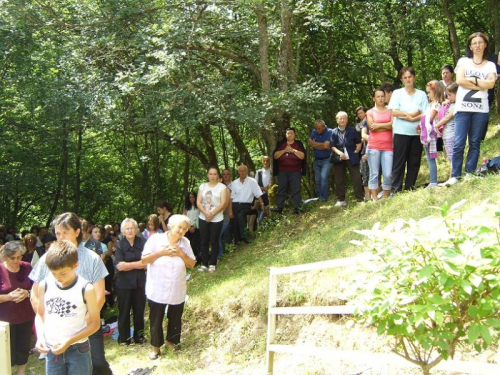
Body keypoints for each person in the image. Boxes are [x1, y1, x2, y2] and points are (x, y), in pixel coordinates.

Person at [29, 212, 113, 375]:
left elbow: (99, 296)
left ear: (77, 231)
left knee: (98, 364)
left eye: (65, 232)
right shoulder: (47, 259)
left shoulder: (91, 258)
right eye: (58, 233)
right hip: (56, 334)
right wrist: (48, 326)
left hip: (86, 327)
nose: (61, 237)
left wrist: (81, 324)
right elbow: (35, 296)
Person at [35, 240, 100, 375]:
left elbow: (95, 324)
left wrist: (69, 341)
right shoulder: (45, 285)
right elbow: (40, 314)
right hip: (53, 350)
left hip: (78, 349)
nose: (58, 278)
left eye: (63, 273)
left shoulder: (86, 288)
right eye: (54, 273)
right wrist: (40, 337)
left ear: (75, 265)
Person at [443, 32, 497, 186]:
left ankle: (469, 173)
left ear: (485, 45)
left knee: (474, 142)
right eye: (474, 43)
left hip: (481, 109)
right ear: (470, 46)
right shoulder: (463, 62)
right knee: (459, 142)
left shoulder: (490, 65)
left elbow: (491, 84)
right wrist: (481, 81)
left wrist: (471, 79)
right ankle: (455, 175)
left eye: (480, 42)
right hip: (463, 108)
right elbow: (460, 80)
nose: (477, 45)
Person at [141, 214, 196, 359]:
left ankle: (172, 342)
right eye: (179, 227)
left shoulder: (185, 242)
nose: (181, 231)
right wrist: (162, 252)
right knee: (156, 317)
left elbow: (192, 263)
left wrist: (181, 254)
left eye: (184, 229)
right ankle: (155, 347)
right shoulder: (155, 239)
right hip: (157, 286)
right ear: (171, 226)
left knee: (175, 316)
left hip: (177, 286)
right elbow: (144, 259)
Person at [388, 67, 429, 193]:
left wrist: (411, 118)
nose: (408, 79)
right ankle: (396, 190)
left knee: (414, 161)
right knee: (399, 162)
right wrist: (410, 115)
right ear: (401, 79)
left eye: (410, 77)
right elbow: (394, 112)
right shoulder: (397, 93)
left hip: (417, 133)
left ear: (414, 77)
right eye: (405, 77)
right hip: (401, 132)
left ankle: (409, 187)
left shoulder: (421, 94)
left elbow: (425, 113)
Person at [0, 241, 35, 375]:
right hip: (4, 320)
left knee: (23, 347)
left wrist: (27, 293)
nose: (16, 261)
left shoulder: (27, 267)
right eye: (12, 258)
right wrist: (8, 297)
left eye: (19, 257)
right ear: (5, 256)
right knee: (5, 349)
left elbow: (36, 289)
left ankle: (21, 373)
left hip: (25, 316)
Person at [114, 218, 147, 345]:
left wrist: (129, 265)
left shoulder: (143, 241)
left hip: (140, 283)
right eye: (127, 228)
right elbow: (119, 266)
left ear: (136, 229)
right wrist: (138, 264)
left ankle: (139, 337)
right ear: (123, 231)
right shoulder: (119, 244)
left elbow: (147, 263)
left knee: (139, 310)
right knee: (124, 311)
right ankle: (124, 338)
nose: (130, 230)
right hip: (124, 284)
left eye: (132, 228)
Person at [197, 167, 228, 273]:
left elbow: (223, 203)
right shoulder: (202, 186)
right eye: (210, 174)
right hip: (203, 217)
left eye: (215, 174)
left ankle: (212, 264)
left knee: (214, 241)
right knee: (204, 241)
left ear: (218, 176)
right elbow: (199, 202)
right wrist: (206, 213)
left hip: (217, 218)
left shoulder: (222, 187)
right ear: (207, 175)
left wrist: (212, 214)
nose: (212, 176)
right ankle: (204, 264)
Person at [330, 111, 364, 206]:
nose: (342, 120)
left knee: (357, 177)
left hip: (352, 157)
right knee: (339, 179)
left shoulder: (353, 130)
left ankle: (360, 199)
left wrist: (357, 150)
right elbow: (332, 146)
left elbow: (359, 141)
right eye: (340, 118)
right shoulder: (334, 132)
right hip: (339, 158)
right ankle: (341, 200)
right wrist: (340, 153)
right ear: (337, 120)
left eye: (344, 118)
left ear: (347, 120)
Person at [365, 89, 393, 200]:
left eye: (382, 96)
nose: (380, 98)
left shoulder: (390, 110)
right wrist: (386, 125)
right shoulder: (370, 112)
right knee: (374, 173)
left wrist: (379, 126)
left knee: (388, 173)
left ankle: (385, 196)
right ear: (374, 98)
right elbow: (371, 126)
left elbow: (392, 125)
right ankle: (375, 198)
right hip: (374, 147)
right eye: (378, 96)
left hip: (388, 147)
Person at [273, 128, 306, 214]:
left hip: (295, 171)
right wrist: (284, 150)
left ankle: (296, 207)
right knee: (281, 189)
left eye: (291, 133)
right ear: (286, 135)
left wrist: (293, 150)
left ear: (294, 134)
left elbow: (302, 156)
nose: (289, 135)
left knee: (295, 190)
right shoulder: (281, 144)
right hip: (282, 171)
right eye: (288, 133)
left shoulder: (298, 144)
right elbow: (275, 156)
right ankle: (279, 207)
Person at [231, 165, 265, 243]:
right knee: (234, 221)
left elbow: (258, 193)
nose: (242, 172)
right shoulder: (234, 183)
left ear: (247, 171)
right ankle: (237, 240)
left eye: (244, 170)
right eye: (241, 171)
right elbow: (231, 198)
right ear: (238, 172)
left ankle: (244, 237)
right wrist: (230, 210)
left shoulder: (252, 181)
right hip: (235, 204)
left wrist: (262, 204)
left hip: (246, 205)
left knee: (240, 215)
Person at [435, 83, 459, 183]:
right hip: (446, 134)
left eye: (450, 95)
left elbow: (447, 118)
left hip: (451, 134)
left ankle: (454, 176)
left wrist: (435, 126)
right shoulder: (450, 105)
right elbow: (442, 114)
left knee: (452, 156)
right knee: (450, 156)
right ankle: (452, 176)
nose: (448, 97)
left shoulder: (456, 106)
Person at [308, 120, 333, 202]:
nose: (317, 130)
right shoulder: (314, 131)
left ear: (324, 126)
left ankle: (324, 198)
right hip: (317, 160)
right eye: (316, 128)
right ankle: (320, 197)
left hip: (327, 160)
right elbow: (309, 143)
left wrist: (315, 144)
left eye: (319, 128)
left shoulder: (329, 131)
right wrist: (321, 144)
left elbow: (326, 146)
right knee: (317, 179)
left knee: (323, 178)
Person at [355, 108, 371, 201]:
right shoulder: (357, 125)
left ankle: (375, 193)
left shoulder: (371, 120)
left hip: (374, 147)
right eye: (358, 113)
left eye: (362, 112)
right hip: (362, 150)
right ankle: (367, 195)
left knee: (375, 172)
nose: (360, 114)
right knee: (364, 172)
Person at [219, 169, 233, 261]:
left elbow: (228, 202)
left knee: (218, 235)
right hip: (218, 217)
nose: (225, 176)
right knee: (219, 236)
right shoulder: (217, 189)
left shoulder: (227, 189)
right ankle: (221, 253)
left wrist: (231, 211)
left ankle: (220, 256)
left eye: (227, 174)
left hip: (225, 215)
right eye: (224, 174)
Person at [183, 192, 200, 261]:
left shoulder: (199, 205)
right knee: (188, 244)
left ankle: (197, 259)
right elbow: (184, 217)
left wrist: (194, 226)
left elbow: (199, 216)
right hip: (188, 228)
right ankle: (190, 260)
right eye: (190, 197)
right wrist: (189, 227)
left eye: (193, 197)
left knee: (195, 244)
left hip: (197, 227)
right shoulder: (186, 207)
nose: (192, 199)